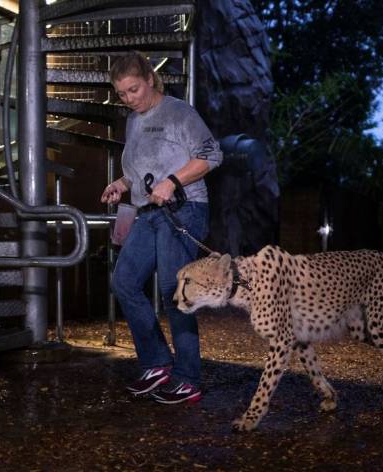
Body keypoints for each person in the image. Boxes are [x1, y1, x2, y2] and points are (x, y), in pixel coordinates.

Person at [100, 51, 222, 404]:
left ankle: (188, 377)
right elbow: (140, 169)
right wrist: (122, 185)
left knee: (174, 290)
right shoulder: (134, 120)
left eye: (134, 90)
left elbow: (211, 155)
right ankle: (157, 363)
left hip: (185, 209)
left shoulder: (179, 112)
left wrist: (172, 181)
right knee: (124, 282)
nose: (129, 99)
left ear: (151, 80)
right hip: (147, 213)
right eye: (122, 94)